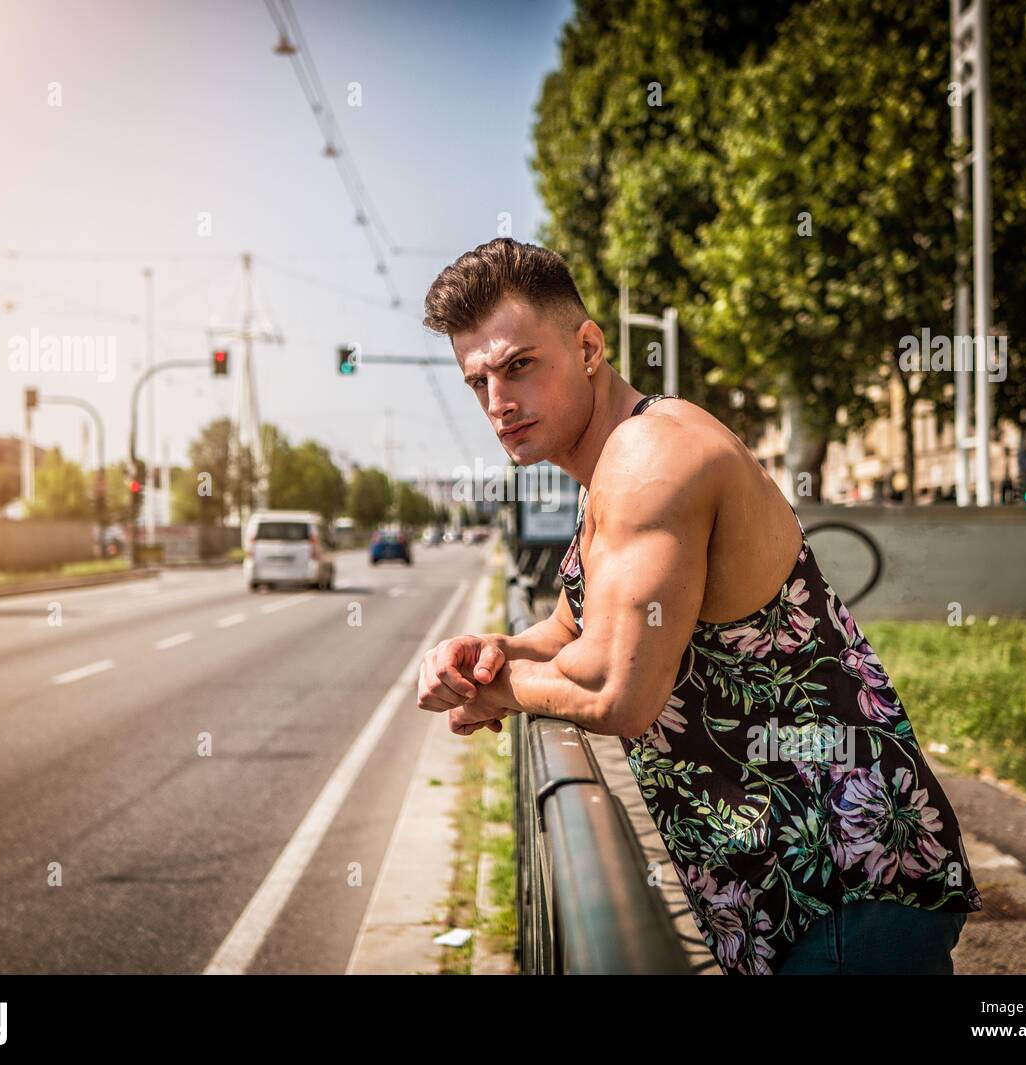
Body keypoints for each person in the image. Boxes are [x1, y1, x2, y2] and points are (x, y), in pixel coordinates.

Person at [416, 237, 981, 975]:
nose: (498, 402)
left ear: (588, 346)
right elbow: (569, 631)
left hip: (837, 883)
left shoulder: (652, 457)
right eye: (478, 382)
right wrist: (483, 652)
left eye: (520, 365)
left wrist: (496, 691)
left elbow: (619, 689)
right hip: (785, 893)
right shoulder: (610, 468)